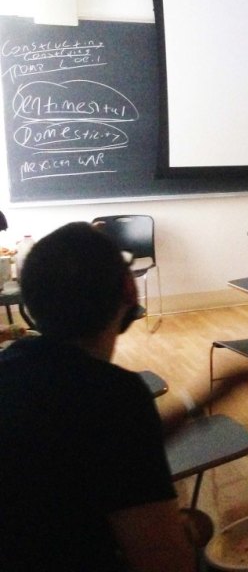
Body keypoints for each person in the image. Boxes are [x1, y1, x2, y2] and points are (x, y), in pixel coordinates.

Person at [0, 222, 196, 572]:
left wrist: (197, 402)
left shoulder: (12, 368)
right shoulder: (115, 397)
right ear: (129, 288)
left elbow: (82, 448)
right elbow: (164, 563)